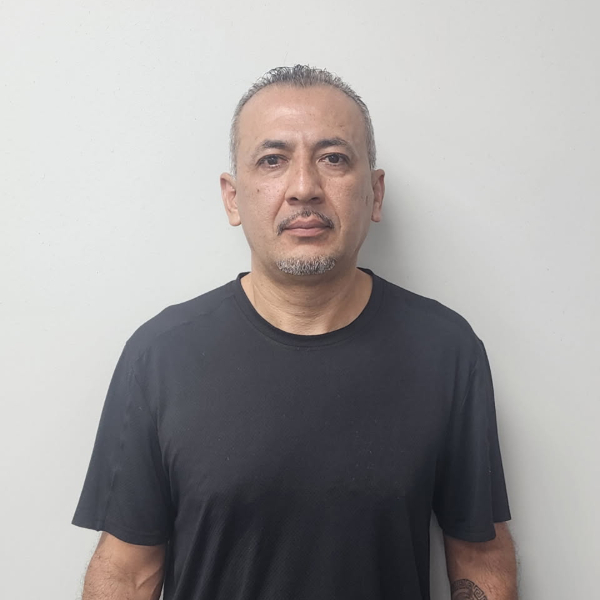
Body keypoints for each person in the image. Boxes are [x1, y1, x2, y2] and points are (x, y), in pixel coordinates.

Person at [72, 64, 517, 600]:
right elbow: (126, 572)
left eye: (333, 158)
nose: (304, 187)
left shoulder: (445, 351)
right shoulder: (160, 356)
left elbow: (479, 557)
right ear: (233, 197)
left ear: (375, 193)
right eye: (273, 160)